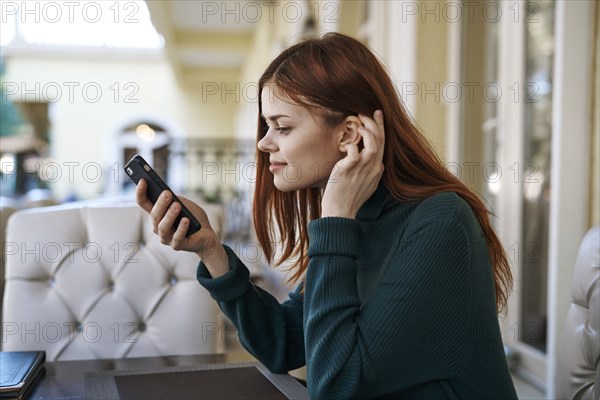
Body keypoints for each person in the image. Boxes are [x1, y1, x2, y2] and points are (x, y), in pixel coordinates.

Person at [135, 32, 518, 399]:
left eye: (282, 126)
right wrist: (211, 250)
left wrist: (336, 219)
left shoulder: (440, 222)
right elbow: (283, 343)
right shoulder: (362, 217)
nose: (264, 142)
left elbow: (335, 386)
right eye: (267, 126)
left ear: (349, 133)